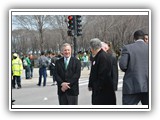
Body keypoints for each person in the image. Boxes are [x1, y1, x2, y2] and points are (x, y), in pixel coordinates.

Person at [119, 30, 149, 105]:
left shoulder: (127, 48)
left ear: (134, 38)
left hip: (131, 85)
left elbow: (123, 65)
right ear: (143, 38)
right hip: (148, 84)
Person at [88, 38, 116, 105]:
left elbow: (103, 75)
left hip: (103, 92)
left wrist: (96, 86)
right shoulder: (98, 56)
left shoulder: (102, 57)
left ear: (93, 48)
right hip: (100, 91)